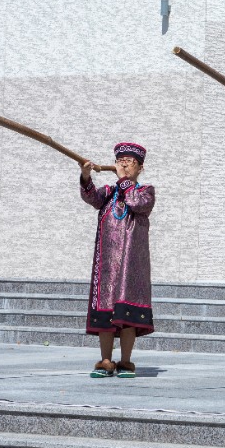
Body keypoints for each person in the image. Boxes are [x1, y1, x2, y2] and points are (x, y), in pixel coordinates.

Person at [80, 143, 155, 379]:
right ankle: (105, 361)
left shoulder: (145, 191)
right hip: (107, 265)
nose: (123, 164)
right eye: (120, 160)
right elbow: (91, 197)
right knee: (105, 311)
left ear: (140, 167)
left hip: (131, 265)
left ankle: (125, 361)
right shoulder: (108, 193)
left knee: (128, 314)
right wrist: (85, 176)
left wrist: (123, 180)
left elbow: (136, 203)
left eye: (129, 161)